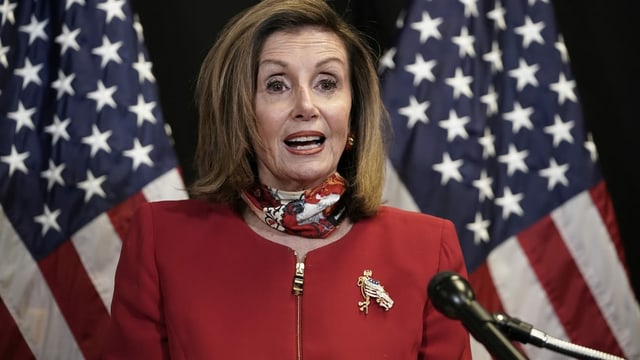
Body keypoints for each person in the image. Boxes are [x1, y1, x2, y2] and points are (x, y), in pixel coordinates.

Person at [102, 0, 472, 358]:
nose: (306, 107)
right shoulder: (161, 242)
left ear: (354, 112)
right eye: (277, 85)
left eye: (327, 83)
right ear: (241, 114)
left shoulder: (429, 250)